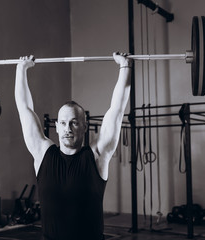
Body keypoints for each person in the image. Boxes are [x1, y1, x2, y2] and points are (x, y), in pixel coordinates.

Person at [14, 53, 132, 240]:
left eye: (74, 123)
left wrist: (124, 67)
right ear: (57, 127)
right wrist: (21, 69)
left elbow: (117, 110)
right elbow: (24, 108)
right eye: (63, 123)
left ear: (84, 126)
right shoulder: (43, 154)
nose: (67, 128)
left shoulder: (96, 156)